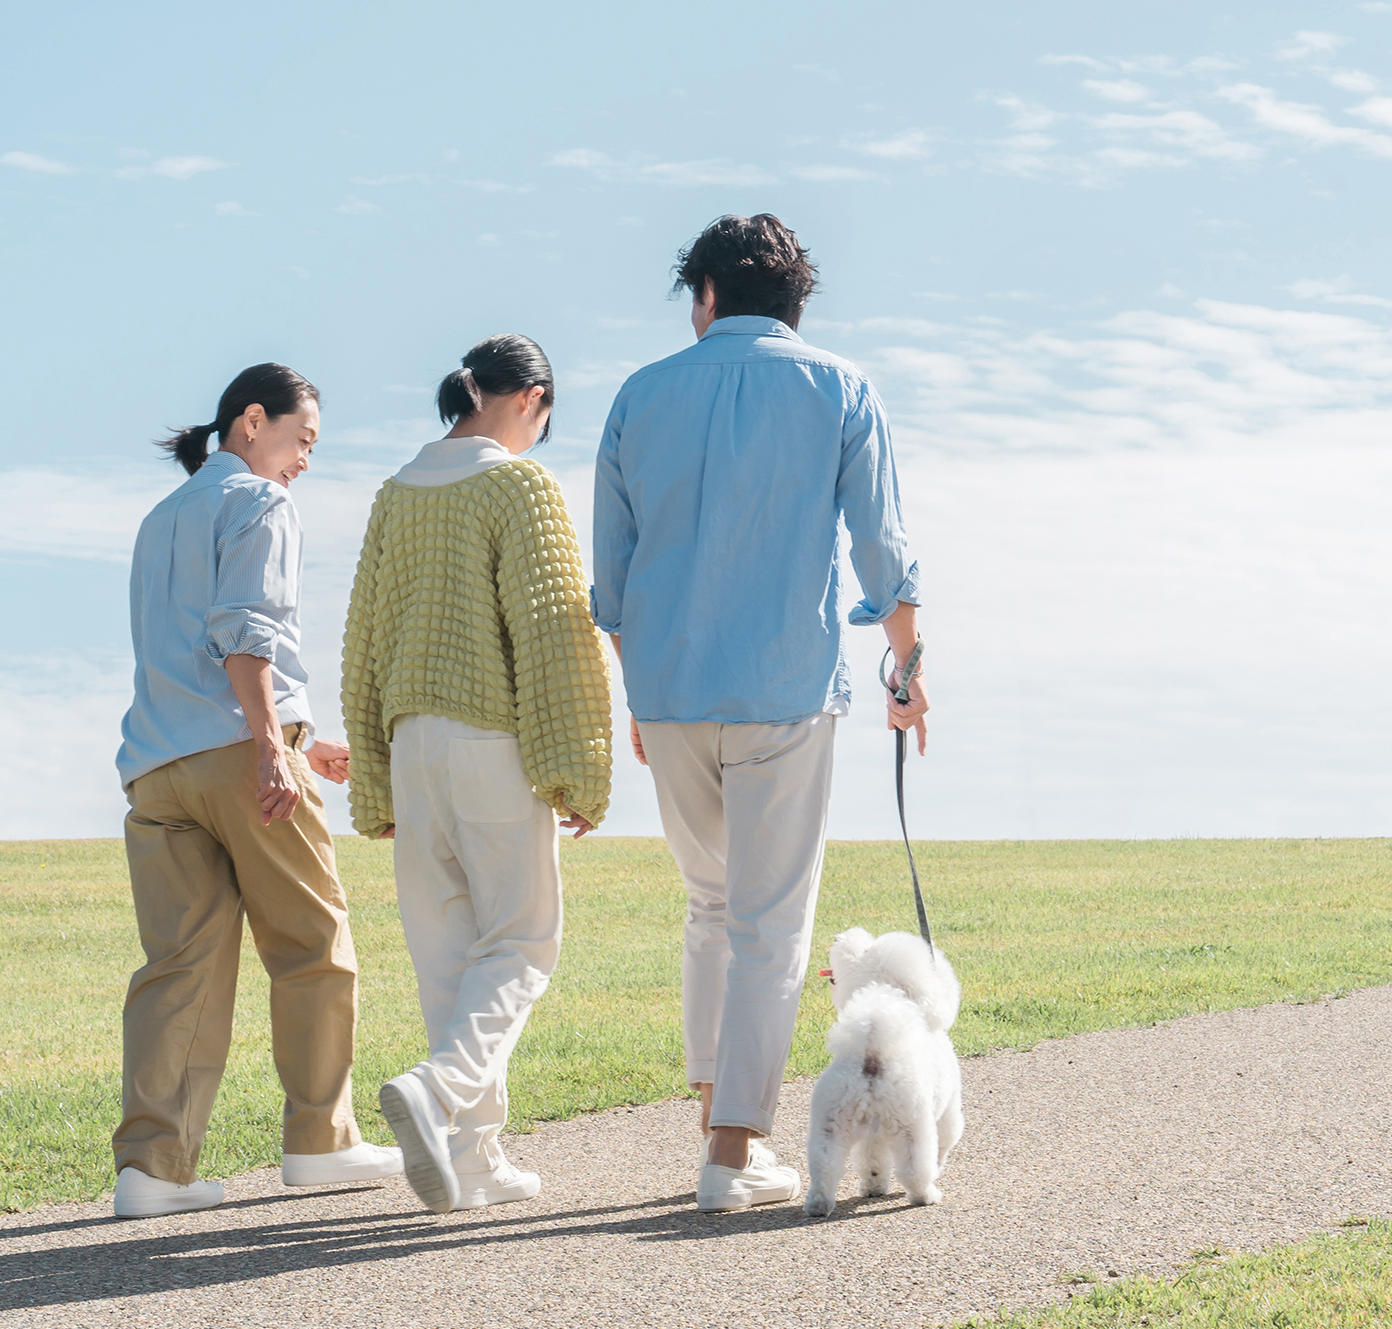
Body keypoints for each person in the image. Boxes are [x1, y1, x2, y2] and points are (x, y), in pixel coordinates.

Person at [593, 213, 931, 1213]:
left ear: (704, 295)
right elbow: (883, 549)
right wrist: (906, 668)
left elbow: (612, 573)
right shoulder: (840, 388)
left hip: (671, 689)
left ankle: (719, 1138)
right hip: (784, 689)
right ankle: (731, 1157)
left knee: (709, 908)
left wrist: (639, 687)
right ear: (797, 300)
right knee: (769, 927)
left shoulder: (640, 395)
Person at [110, 363, 402, 1220]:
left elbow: (192, 654)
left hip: (159, 768)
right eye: (301, 438)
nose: (304, 460)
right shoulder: (260, 504)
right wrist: (276, 745)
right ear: (250, 422)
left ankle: (153, 1169)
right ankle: (322, 1140)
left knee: (179, 969)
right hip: (243, 756)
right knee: (313, 943)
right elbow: (246, 632)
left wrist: (305, 744)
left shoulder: (161, 517)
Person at [341, 336, 613, 1215]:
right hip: (491, 741)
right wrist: (579, 768)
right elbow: (553, 631)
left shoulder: (393, 494)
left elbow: (363, 645)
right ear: (530, 398)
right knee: (524, 940)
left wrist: (374, 779)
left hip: (411, 744)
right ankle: (442, 1087)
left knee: (447, 955)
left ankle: (472, 1158)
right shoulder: (518, 484)